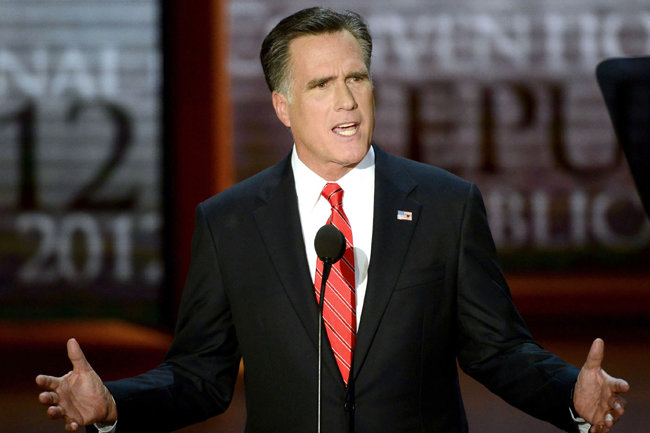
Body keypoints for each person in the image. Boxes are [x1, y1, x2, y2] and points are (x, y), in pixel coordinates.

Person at [36, 7, 629, 433]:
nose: (347, 100)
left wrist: (570, 396)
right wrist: (115, 404)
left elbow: (498, 349)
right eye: (321, 84)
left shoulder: (445, 205)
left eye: (356, 78)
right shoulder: (230, 222)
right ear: (282, 107)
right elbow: (199, 376)